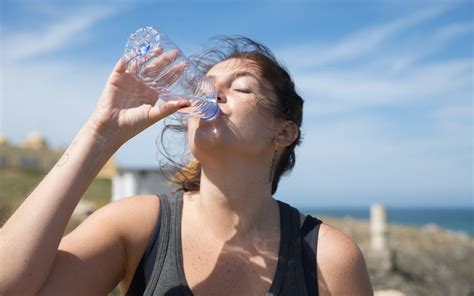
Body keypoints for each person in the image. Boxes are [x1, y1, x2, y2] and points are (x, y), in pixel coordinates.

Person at [0, 36, 373, 296]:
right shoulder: (138, 227)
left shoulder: (327, 256)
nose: (210, 93)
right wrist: (100, 135)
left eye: (241, 88)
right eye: (205, 85)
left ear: (285, 132)